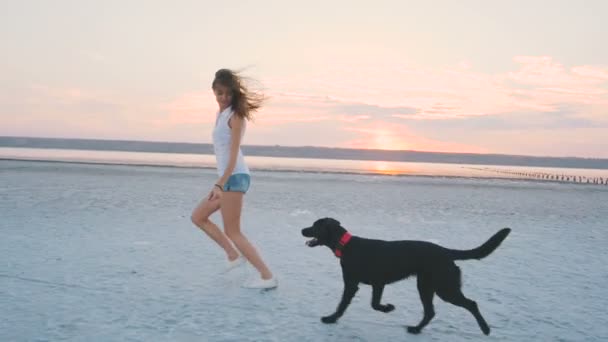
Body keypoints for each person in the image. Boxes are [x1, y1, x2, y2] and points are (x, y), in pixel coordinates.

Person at [191, 68, 277, 289]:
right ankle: (232, 255)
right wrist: (221, 181)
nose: (224, 98)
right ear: (214, 92)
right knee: (198, 216)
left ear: (234, 93)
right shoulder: (221, 114)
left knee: (233, 231)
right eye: (219, 93)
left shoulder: (235, 116)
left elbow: (232, 154)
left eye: (228, 94)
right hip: (228, 178)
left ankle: (267, 277)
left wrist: (220, 183)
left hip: (235, 177)